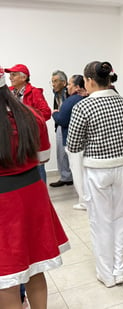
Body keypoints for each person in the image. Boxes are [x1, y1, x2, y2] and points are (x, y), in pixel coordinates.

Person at [0, 66, 69, 309]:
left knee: (5, 278)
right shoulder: (28, 114)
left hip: (5, 203)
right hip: (32, 192)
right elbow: (43, 155)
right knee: (34, 266)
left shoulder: (33, 98)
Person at [67, 61, 123, 288]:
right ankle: (119, 270)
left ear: (88, 81)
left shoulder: (83, 107)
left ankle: (106, 274)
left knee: (101, 221)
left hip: (98, 170)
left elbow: (74, 145)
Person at [5, 64, 51, 182]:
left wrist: (24, 119)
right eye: (10, 75)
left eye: (13, 75)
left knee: (38, 168)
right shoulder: (8, 92)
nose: (10, 78)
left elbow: (46, 113)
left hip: (31, 138)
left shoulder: (34, 92)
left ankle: (42, 197)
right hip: (14, 139)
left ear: (24, 78)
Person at [52, 74, 88, 210]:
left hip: (73, 143)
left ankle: (84, 202)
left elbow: (62, 119)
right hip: (87, 142)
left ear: (77, 87)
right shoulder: (87, 98)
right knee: (85, 173)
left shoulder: (72, 100)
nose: (68, 86)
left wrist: (55, 113)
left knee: (78, 173)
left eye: (70, 84)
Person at [50, 70, 73, 188]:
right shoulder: (56, 94)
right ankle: (66, 177)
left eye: (55, 81)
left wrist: (56, 115)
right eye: (52, 81)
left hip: (70, 125)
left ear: (64, 83)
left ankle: (69, 176)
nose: (53, 84)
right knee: (60, 152)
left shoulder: (70, 95)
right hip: (61, 125)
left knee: (70, 153)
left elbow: (60, 113)